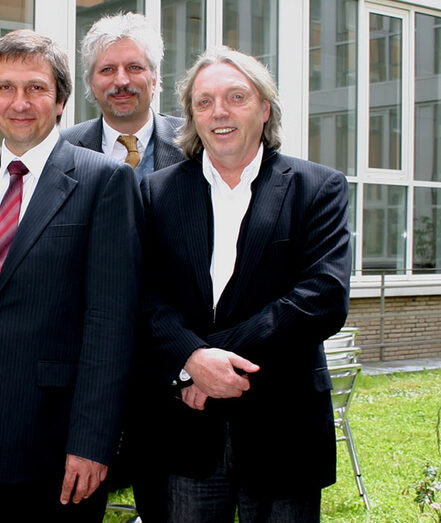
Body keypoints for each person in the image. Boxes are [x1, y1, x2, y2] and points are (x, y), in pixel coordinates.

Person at [0, 29, 141, 522]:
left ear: (60, 101)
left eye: (35, 87)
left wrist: (93, 443)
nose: (20, 102)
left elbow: (110, 323)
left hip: (55, 452)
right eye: (6, 88)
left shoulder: (104, 181)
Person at [134, 46, 351, 522]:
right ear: (191, 114)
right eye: (205, 101)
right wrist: (191, 360)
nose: (220, 112)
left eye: (236, 97)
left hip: (284, 425)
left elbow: (323, 297)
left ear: (265, 108)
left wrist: (208, 358)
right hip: (187, 430)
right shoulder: (156, 192)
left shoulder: (317, 187)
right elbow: (143, 295)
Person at [62, 12, 185, 180]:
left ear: (155, 79)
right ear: (91, 83)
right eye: (108, 69)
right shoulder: (63, 148)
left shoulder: (192, 141)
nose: (121, 81)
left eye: (134, 67)